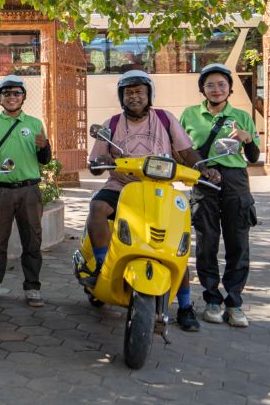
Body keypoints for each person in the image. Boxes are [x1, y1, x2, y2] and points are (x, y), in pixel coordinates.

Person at [85, 70, 219, 332]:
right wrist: (99, 163)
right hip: (122, 186)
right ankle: (102, 266)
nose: (134, 96)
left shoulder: (165, 119)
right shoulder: (111, 124)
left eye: (139, 92)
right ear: (122, 97)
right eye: (129, 92)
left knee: (176, 245)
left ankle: (185, 305)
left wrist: (204, 169)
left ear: (149, 95)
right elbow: (96, 163)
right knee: (97, 208)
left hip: (161, 189)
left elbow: (185, 151)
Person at [180, 63, 260, 328]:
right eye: (210, 85)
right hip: (204, 180)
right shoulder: (190, 115)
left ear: (230, 88)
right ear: (202, 89)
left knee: (238, 242)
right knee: (207, 242)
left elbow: (253, 157)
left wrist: (248, 139)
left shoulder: (241, 116)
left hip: (236, 182)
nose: (216, 89)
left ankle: (235, 302)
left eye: (222, 84)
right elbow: (180, 151)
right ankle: (212, 299)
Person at [0, 75, 51, 307]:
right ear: (0, 97)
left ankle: (32, 287)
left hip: (29, 190)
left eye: (16, 93)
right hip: (1, 191)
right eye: (6, 93)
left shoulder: (35, 123)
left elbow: (45, 160)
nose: (11, 97)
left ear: (23, 97)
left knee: (32, 240)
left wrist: (45, 147)